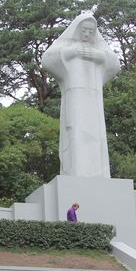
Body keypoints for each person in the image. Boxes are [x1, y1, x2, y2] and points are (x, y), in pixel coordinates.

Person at [41, 12, 120, 178]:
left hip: (94, 99)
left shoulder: (98, 48)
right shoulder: (68, 45)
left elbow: (115, 64)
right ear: (77, 29)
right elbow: (47, 59)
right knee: (76, 133)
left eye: (91, 32)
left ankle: (97, 174)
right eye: (84, 30)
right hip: (75, 96)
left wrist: (98, 56)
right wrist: (71, 53)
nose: (87, 34)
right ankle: (77, 172)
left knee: (96, 135)